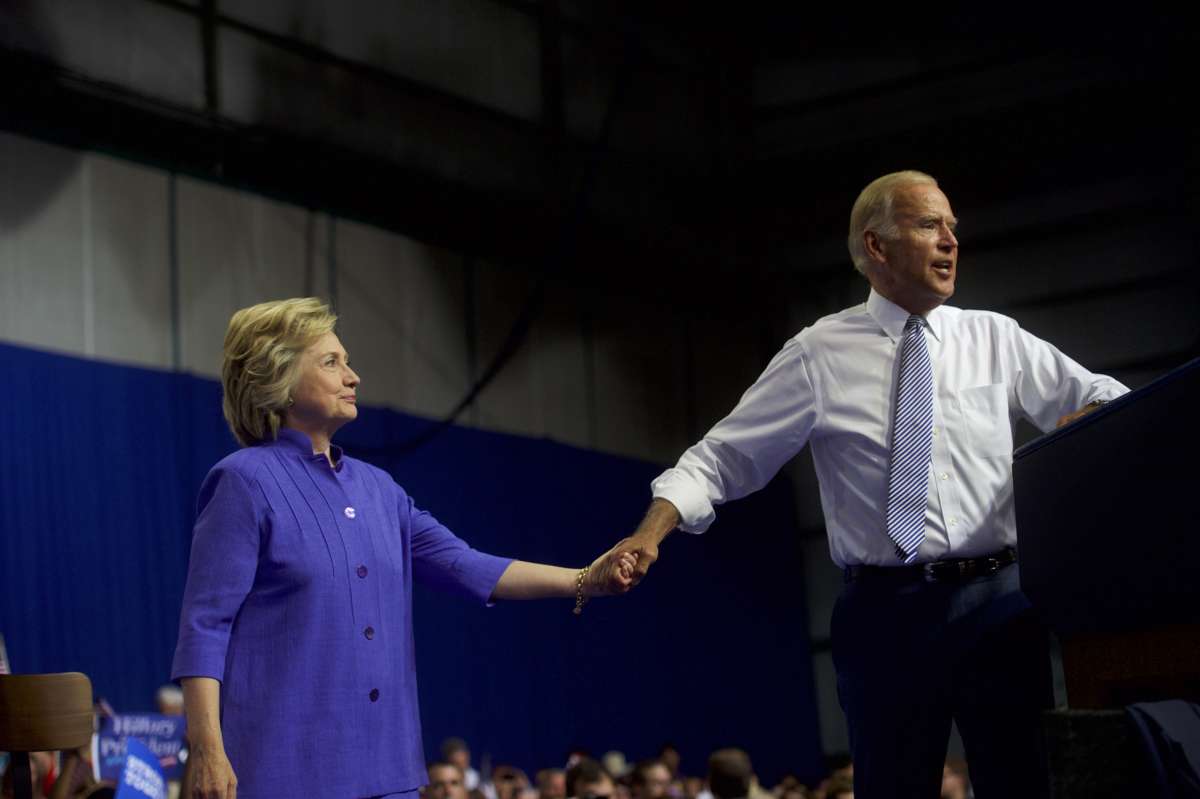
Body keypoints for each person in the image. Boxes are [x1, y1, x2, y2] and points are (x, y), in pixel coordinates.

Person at [614, 171, 1129, 797]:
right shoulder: (817, 354)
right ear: (876, 246)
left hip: (1000, 605)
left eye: (953, 229)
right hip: (887, 618)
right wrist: (649, 533)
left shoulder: (994, 337)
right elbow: (720, 459)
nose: (950, 241)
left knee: (1024, 785)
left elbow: (1105, 396)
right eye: (929, 225)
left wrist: (1082, 424)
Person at [171, 298, 635, 799]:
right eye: (332, 362)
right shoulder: (243, 481)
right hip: (284, 771)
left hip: (389, 771)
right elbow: (205, 627)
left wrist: (587, 577)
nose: (353, 376)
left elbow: (467, 566)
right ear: (276, 379)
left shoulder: (380, 491)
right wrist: (206, 749)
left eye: (347, 361)